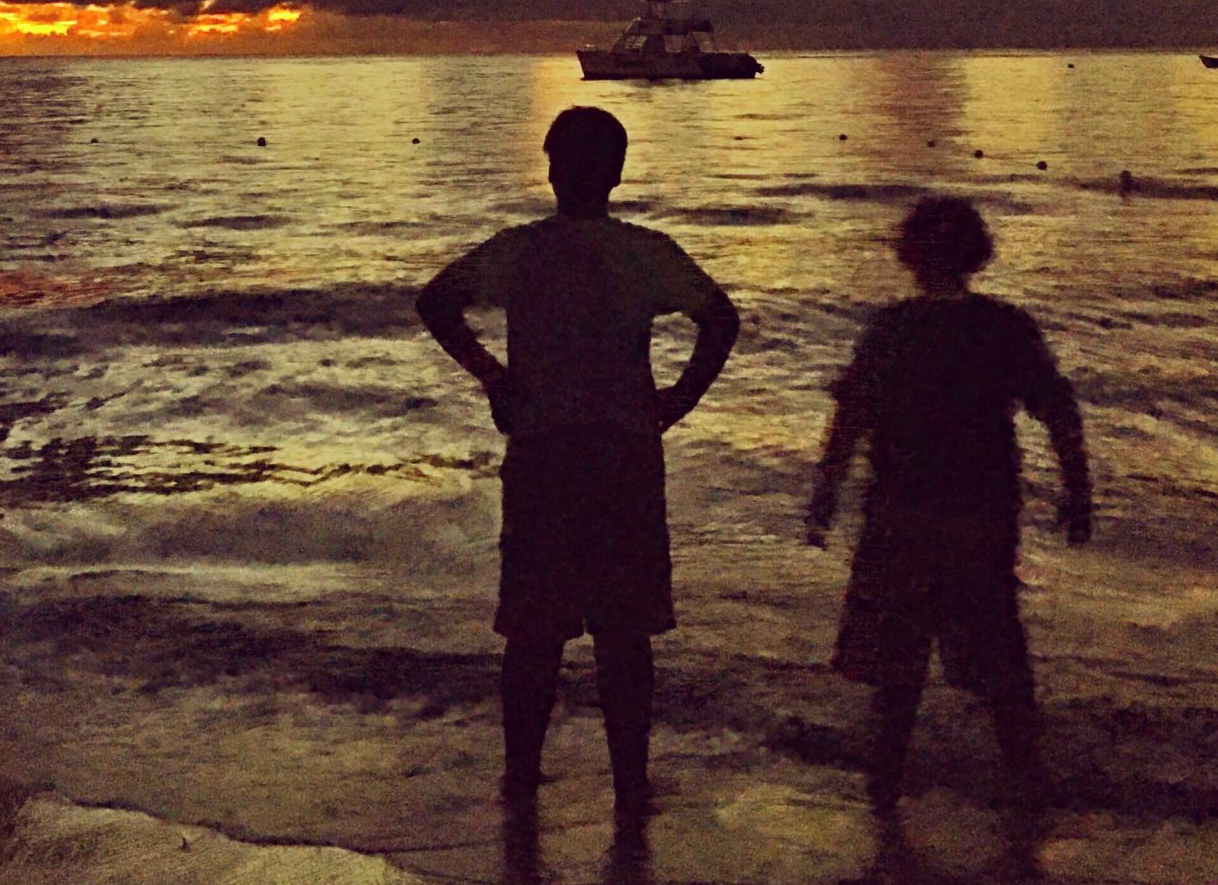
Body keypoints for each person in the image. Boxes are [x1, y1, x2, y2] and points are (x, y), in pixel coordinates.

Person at [417, 105, 740, 837]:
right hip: (624, 454)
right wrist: (681, 398)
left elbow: (435, 301)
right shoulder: (646, 252)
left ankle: (521, 783)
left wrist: (493, 379)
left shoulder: (520, 252)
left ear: (553, 168)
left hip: (544, 455)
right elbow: (721, 321)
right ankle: (631, 790)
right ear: (618, 174)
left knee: (533, 633)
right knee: (624, 635)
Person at [804, 195, 1090, 831]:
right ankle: (1024, 782)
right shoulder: (1005, 327)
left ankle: (884, 791)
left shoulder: (890, 330)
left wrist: (826, 495)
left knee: (898, 661)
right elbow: (1058, 412)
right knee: (999, 650)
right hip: (982, 509)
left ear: (908, 256)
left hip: (901, 511)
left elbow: (850, 420)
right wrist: (1077, 492)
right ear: (977, 254)